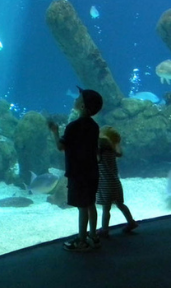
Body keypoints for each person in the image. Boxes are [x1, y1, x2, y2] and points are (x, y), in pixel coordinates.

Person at [48, 86, 103, 252]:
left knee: (81, 207)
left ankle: (81, 241)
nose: (74, 100)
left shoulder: (73, 126)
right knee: (90, 204)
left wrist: (55, 131)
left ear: (83, 106)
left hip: (77, 173)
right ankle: (93, 236)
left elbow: (60, 147)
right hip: (91, 171)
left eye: (78, 99)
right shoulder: (94, 126)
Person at [96, 126, 139, 237]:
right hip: (116, 183)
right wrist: (116, 143)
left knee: (106, 208)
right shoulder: (112, 153)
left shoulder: (99, 155)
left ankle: (104, 229)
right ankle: (131, 222)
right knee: (120, 204)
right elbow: (120, 153)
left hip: (105, 184)